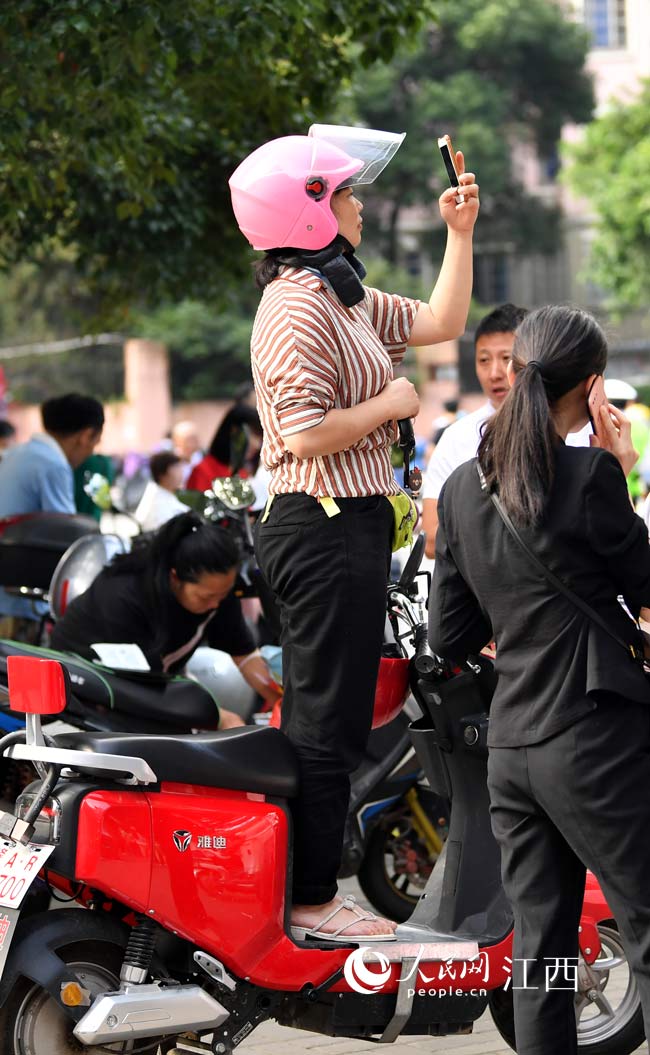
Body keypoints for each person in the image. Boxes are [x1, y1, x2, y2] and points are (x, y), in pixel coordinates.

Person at [229, 125, 479, 941]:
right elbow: (300, 432)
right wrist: (393, 406)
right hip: (322, 523)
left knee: (329, 716)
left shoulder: (337, 291)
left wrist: (459, 232)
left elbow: (442, 319)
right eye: (347, 193)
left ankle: (301, 890)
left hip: (351, 522)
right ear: (309, 212)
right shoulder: (294, 305)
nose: (359, 204)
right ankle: (309, 897)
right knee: (324, 720)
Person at [428, 305, 650, 1055]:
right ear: (592, 389)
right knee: (646, 922)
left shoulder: (461, 488)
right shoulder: (590, 477)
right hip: (591, 739)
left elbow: (447, 635)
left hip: (513, 749)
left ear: (517, 370)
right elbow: (642, 581)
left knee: (543, 945)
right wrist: (620, 469)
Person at [50, 512, 280, 727]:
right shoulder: (125, 596)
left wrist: (283, 702)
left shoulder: (218, 592)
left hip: (149, 684)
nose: (216, 605)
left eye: (223, 594)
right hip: (83, 686)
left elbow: (246, 656)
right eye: (206, 596)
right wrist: (222, 719)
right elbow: (144, 691)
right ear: (175, 578)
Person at [421, 304, 528, 557]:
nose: (494, 373)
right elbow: (432, 539)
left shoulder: (570, 427)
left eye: (506, 358)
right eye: (483, 360)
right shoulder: (457, 438)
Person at [0, 392, 104, 637]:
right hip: (17, 603)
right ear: (86, 435)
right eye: (94, 443)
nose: (90, 452)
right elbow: (69, 537)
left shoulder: (16, 454)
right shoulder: (52, 464)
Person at [186, 404, 263, 491]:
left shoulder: (243, 473)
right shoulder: (202, 472)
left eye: (260, 437)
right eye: (253, 434)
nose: (257, 444)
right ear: (233, 431)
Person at [134, 451, 188, 532]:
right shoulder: (157, 504)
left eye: (180, 468)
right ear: (162, 474)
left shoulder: (162, 494)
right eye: (176, 468)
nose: (181, 473)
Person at [171, 420, 203, 484]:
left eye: (194, 439)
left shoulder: (203, 458)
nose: (191, 444)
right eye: (188, 440)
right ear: (176, 440)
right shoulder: (171, 461)